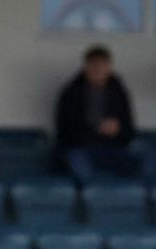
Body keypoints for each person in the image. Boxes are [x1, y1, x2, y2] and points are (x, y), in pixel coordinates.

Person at [53, 44, 139, 182]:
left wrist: (117, 130)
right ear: (86, 66)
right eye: (94, 65)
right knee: (79, 166)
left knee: (143, 161)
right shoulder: (71, 93)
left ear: (109, 67)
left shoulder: (119, 93)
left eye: (102, 65)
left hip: (114, 148)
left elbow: (130, 129)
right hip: (81, 148)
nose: (98, 70)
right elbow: (63, 131)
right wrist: (94, 129)